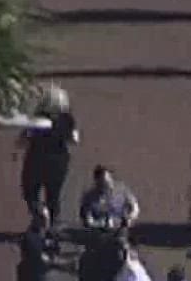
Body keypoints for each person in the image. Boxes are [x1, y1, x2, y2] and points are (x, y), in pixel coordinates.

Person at [19, 85, 79, 220]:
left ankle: (39, 214)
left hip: (36, 158)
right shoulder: (67, 119)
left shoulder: (37, 119)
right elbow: (74, 140)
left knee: (30, 191)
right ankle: (52, 222)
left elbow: (24, 138)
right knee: (53, 194)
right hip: (59, 160)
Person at [80, 165, 142, 232]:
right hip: (99, 229)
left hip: (120, 227)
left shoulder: (121, 190)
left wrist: (130, 217)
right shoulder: (89, 197)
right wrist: (98, 223)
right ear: (97, 181)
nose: (109, 183)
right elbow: (87, 218)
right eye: (104, 181)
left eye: (110, 179)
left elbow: (134, 205)